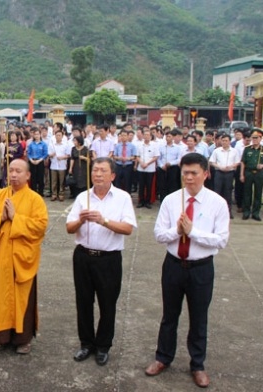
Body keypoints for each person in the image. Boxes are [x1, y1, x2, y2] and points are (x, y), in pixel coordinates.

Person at [145, 153, 230, 388]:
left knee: (199, 317)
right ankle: (163, 357)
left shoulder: (217, 203)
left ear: (206, 173)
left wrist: (192, 232)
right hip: (173, 265)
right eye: (185, 173)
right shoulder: (171, 200)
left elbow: (221, 240)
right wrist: (177, 231)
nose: (189, 178)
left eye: (194, 173)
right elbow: (159, 234)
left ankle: (197, 364)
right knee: (169, 315)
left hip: (201, 268)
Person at [66, 158, 137, 366]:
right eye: (95, 170)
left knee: (108, 304)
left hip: (109, 259)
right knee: (84, 302)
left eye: (102, 171)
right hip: (83, 256)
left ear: (112, 175)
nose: (97, 174)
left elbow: (128, 228)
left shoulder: (122, 197)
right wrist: (81, 219)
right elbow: (69, 228)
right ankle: (86, 343)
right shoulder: (82, 197)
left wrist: (102, 220)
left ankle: (103, 346)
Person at [0, 159, 48, 354]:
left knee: (21, 298)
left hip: (21, 260)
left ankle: (22, 340)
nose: (14, 175)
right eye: (11, 171)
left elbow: (40, 226)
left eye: (18, 171)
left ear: (28, 175)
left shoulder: (35, 200)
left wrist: (16, 217)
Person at [239, 129, 263, 221]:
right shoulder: (247, 149)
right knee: (247, 193)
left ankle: (256, 213)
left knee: (258, 193)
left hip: (259, 173)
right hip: (248, 172)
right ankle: (246, 212)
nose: (254, 139)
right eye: (253, 138)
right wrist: (241, 174)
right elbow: (243, 162)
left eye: (256, 138)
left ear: (261, 138)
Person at [209, 134, 240, 219]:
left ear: (230, 141)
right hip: (219, 172)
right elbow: (212, 162)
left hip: (229, 173)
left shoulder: (234, 151)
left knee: (228, 193)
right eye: (223, 140)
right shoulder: (217, 151)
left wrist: (230, 167)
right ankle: (214, 212)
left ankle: (228, 212)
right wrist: (219, 167)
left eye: (226, 141)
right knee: (217, 192)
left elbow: (237, 162)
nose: (224, 142)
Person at [136, 129, 159, 208]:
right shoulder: (139, 145)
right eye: (145, 135)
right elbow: (137, 156)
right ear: (143, 136)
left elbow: (156, 157)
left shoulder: (154, 145)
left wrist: (147, 164)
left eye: (148, 135)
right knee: (141, 186)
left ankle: (148, 202)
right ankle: (141, 201)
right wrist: (141, 163)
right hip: (141, 168)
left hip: (150, 169)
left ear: (150, 136)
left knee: (149, 186)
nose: (146, 136)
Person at [157, 130, 181, 202]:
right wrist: (161, 166)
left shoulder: (177, 148)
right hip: (162, 168)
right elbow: (158, 158)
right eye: (166, 136)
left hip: (173, 168)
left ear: (173, 138)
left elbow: (179, 159)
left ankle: (171, 201)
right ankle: (163, 200)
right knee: (162, 185)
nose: (168, 138)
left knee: (172, 185)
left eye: (169, 136)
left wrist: (171, 163)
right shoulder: (161, 147)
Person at [48, 129, 70, 201]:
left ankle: (61, 194)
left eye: (59, 135)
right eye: (57, 135)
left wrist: (62, 157)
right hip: (53, 165)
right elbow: (49, 155)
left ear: (62, 136)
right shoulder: (51, 145)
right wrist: (52, 155)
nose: (58, 137)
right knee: (53, 181)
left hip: (62, 166)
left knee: (61, 181)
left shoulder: (65, 145)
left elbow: (68, 155)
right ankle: (54, 194)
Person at [27, 127, 48, 196]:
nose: (36, 136)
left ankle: (40, 192)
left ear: (40, 135)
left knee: (40, 177)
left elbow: (45, 154)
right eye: (35, 134)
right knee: (33, 178)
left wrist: (39, 160)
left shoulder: (43, 144)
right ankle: (33, 192)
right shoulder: (31, 144)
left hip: (40, 162)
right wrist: (31, 160)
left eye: (38, 134)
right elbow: (28, 153)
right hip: (32, 161)